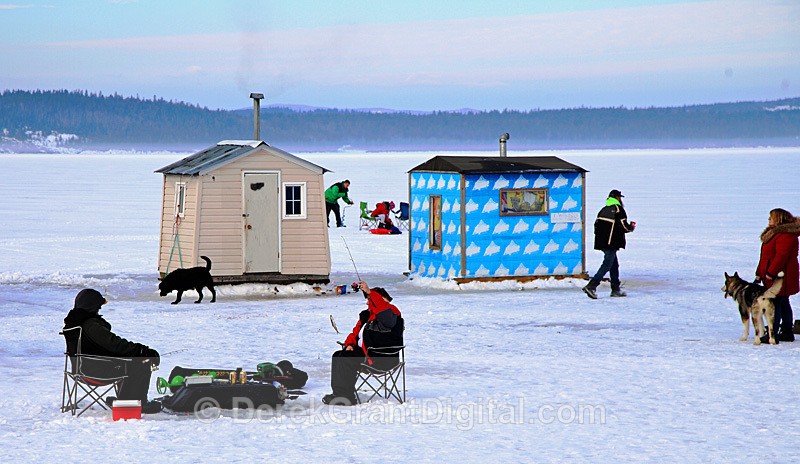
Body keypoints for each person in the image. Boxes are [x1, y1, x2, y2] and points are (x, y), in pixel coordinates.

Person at [63, 288, 162, 413]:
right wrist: (143, 351)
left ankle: (125, 400)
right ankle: (132, 404)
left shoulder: (74, 323)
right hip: (95, 371)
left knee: (128, 360)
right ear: (92, 306)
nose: (99, 309)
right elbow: (115, 344)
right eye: (98, 306)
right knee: (142, 361)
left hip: (80, 369)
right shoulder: (90, 324)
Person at [323, 281, 404, 406]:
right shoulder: (366, 315)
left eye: (369, 299)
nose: (367, 303)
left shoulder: (392, 313)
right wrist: (350, 344)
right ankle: (341, 394)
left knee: (346, 359)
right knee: (338, 355)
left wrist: (370, 292)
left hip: (382, 358)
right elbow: (355, 333)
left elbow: (383, 309)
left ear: (380, 299)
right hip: (366, 354)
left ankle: (344, 398)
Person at [756, 208, 799, 343]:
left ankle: (773, 333)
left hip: (781, 276)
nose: (769, 219)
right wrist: (759, 273)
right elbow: (765, 257)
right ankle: (786, 331)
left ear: (780, 219)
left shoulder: (785, 235)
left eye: (772, 217)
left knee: (776, 303)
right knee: (783, 302)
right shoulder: (775, 233)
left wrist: (771, 273)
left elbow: (781, 257)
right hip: (777, 275)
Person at [583, 189, 636, 299]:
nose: (620, 199)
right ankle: (591, 286)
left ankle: (615, 289)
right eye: (619, 197)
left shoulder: (603, 209)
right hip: (611, 243)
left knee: (614, 265)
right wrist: (631, 228)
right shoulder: (618, 209)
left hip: (602, 242)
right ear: (617, 198)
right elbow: (623, 225)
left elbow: (596, 226)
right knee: (607, 264)